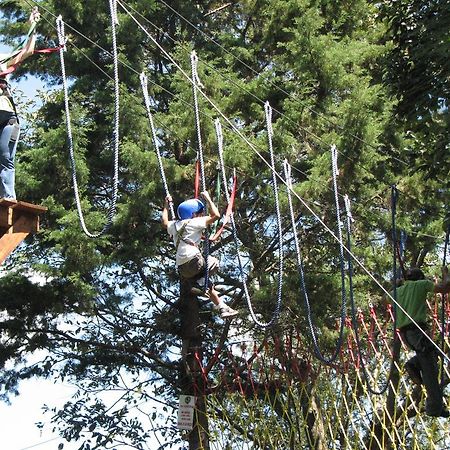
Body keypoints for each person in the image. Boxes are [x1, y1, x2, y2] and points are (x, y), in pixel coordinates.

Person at [162, 191, 238, 319]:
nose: (202, 214)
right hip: (194, 261)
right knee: (214, 262)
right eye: (200, 212)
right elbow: (216, 215)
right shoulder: (194, 222)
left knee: (207, 286)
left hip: (182, 268)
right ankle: (199, 285)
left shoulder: (174, 225)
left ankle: (222, 308)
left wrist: (165, 206)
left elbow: (164, 222)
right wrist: (208, 198)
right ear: (193, 214)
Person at [395, 266, 450, 418]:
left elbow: (385, 296)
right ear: (419, 277)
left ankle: (414, 363)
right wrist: (446, 274)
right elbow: (446, 288)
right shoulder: (421, 284)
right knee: (430, 368)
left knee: (434, 355)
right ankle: (434, 408)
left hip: (407, 335)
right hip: (417, 331)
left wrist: (398, 284)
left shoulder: (397, 292)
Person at [0, 7, 40, 199]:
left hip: (7, 117)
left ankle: (9, 197)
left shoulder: (2, 61)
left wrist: (33, 24)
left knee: (6, 157)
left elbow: (28, 50)